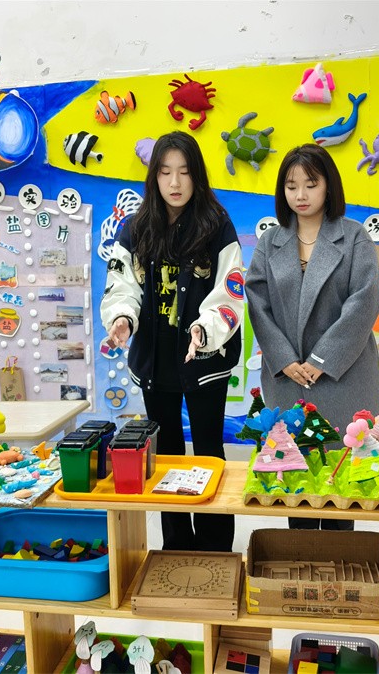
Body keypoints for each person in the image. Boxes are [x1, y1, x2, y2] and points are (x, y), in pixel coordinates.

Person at [101, 131, 242, 551]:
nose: (175, 183)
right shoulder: (135, 228)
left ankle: (216, 547)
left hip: (206, 359)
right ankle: (177, 546)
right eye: (165, 172)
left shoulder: (217, 225)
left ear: (197, 175)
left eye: (184, 172)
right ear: (154, 177)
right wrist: (122, 318)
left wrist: (205, 329)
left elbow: (230, 290)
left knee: (209, 450)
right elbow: (122, 284)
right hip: (156, 359)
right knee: (165, 454)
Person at [245, 144, 379, 530]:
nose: (300, 195)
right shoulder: (270, 242)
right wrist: (284, 358)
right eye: (291, 186)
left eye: (311, 184)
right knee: (295, 481)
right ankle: (299, 561)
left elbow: (364, 302)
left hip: (344, 376)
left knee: (342, 490)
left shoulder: (354, 237)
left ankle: (339, 564)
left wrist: (321, 360)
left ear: (328, 186)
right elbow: (257, 304)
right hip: (288, 377)